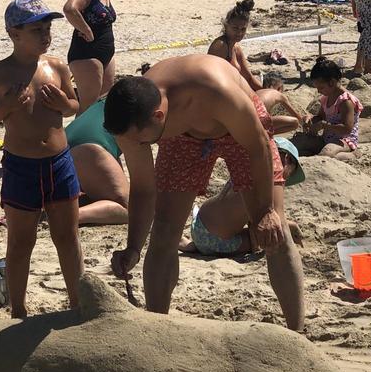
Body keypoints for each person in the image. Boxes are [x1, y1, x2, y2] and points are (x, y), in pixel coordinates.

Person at [102, 56, 305, 330]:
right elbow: (142, 186)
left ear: (159, 115)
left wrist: (267, 210)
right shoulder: (131, 120)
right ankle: (157, 330)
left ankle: (297, 332)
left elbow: (257, 145)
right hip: (182, 137)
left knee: (272, 232)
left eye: (142, 141)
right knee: (163, 233)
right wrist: (133, 248)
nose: (136, 145)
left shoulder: (215, 90)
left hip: (241, 131)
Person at [0, 0, 84, 318]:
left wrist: (65, 104)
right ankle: (18, 309)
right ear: (14, 33)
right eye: (37, 29)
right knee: (21, 240)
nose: (45, 35)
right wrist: (5, 108)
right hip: (21, 165)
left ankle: (77, 303)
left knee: (67, 236)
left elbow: (75, 107)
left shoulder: (57, 67)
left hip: (59, 161)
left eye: (47, 28)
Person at [182, 138, 305, 256]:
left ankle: (190, 245)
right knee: (259, 238)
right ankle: (199, 247)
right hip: (214, 241)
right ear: (287, 161)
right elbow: (265, 220)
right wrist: (291, 225)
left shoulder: (246, 168)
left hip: (199, 221)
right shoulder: (270, 184)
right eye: (291, 172)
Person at [63, 0, 120, 113]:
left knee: (105, 101)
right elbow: (70, 9)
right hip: (86, 54)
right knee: (88, 106)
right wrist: (86, 29)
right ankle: (78, 139)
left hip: (106, 52)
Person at [65, 95, 129, 226]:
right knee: (128, 208)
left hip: (66, 139)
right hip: (89, 148)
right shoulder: (151, 100)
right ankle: (67, 217)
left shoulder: (117, 93)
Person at [291, 56, 362, 157]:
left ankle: (353, 154)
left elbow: (347, 129)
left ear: (332, 82)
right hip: (327, 138)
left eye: (321, 87)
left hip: (344, 140)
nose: (319, 91)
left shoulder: (345, 101)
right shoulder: (326, 98)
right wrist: (310, 119)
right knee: (298, 143)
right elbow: (321, 117)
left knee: (327, 152)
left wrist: (325, 125)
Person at [208, 0, 263, 91]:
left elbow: (248, 78)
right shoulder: (220, 46)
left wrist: (266, 90)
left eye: (243, 29)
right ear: (226, 26)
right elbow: (210, 79)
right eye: (235, 28)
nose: (239, 33)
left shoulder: (236, 48)